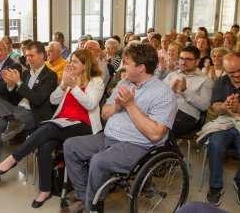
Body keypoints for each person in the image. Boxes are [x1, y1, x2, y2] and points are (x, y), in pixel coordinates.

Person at [60, 44, 178, 213]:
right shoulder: (124, 82)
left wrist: (130, 105)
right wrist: (116, 107)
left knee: (99, 161)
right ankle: (82, 197)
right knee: (71, 145)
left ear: (141, 68)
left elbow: (155, 134)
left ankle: (92, 206)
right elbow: (104, 114)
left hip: (138, 146)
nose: (123, 66)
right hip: (108, 137)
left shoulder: (164, 94)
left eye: (127, 63)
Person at [0, 49, 104, 208]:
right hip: (62, 122)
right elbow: (53, 100)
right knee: (44, 147)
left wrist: (75, 87)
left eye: (75, 62)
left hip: (83, 124)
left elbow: (91, 104)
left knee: (49, 128)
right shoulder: (70, 78)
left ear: (86, 65)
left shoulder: (96, 81)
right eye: (71, 61)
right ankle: (45, 190)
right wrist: (64, 84)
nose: (71, 64)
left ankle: (13, 158)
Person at [0, 41, 58, 191]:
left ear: (42, 55)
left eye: (32, 55)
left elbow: (37, 100)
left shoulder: (50, 75)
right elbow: (13, 97)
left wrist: (18, 83)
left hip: (33, 114)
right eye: (27, 55)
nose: (28, 59)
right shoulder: (25, 73)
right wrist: (10, 84)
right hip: (17, 110)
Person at [205, 52, 240, 206]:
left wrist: (238, 107)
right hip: (224, 122)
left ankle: (238, 181)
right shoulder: (221, 82)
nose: (237, 74)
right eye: (232, 73)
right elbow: (215, 107)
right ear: (225, 71)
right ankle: (215, 186)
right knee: (215, 144)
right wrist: (224, 106)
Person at [163, 46, 213, 151]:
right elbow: (158, 97)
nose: (183, 62)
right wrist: (170, 90)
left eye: (188, 59)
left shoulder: (205, 80)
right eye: (181, 58)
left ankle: (172, 157)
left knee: (163, 125)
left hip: (187, 117)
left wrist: (185, 91)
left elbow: (204, 106)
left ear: (197, 61)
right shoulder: (172, 75)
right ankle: (165, 157)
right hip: (166, 110)